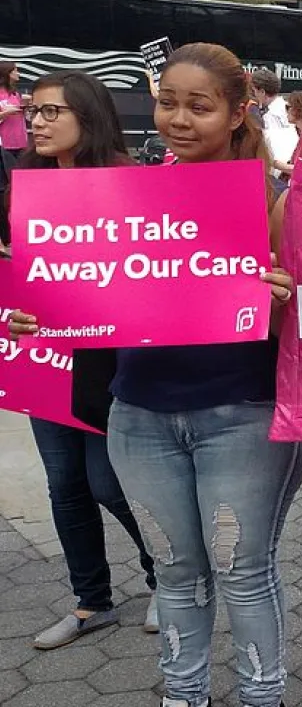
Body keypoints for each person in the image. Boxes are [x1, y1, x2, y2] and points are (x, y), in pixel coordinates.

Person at [9, 43, 302, 707]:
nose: (178, 119)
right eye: (168, 103)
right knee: (174, 570)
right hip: (139, 415)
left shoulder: (275, 199)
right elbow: (82, 289)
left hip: (242, 412)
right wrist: (39, 313)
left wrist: (284, 299)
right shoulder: (124, 194)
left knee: (243, 571)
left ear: (237, 113)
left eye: (199, 106)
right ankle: (182, 694)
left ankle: (263, 697)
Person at [4, 71, 160, 650]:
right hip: (45, 358)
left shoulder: (129, 182)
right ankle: (91, 601)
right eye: (34, 112)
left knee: (110, 484)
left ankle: (167, 580)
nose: (37, 123)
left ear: (88, 117)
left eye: (52, 112)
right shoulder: (26, 184)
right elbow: (20, 271)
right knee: (64, 484)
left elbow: (154, 270)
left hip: (111, 363)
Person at [0, 61, 28, 247]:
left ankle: (19, 228)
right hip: (4, 145)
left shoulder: (15, 94)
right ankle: (6, 234)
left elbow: (24, 119)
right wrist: (4, 113)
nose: (18, 73)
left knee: (21, 188)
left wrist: (26, 107)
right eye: (15, 70)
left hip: (20, 144)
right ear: (7, 73)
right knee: (6, 188)